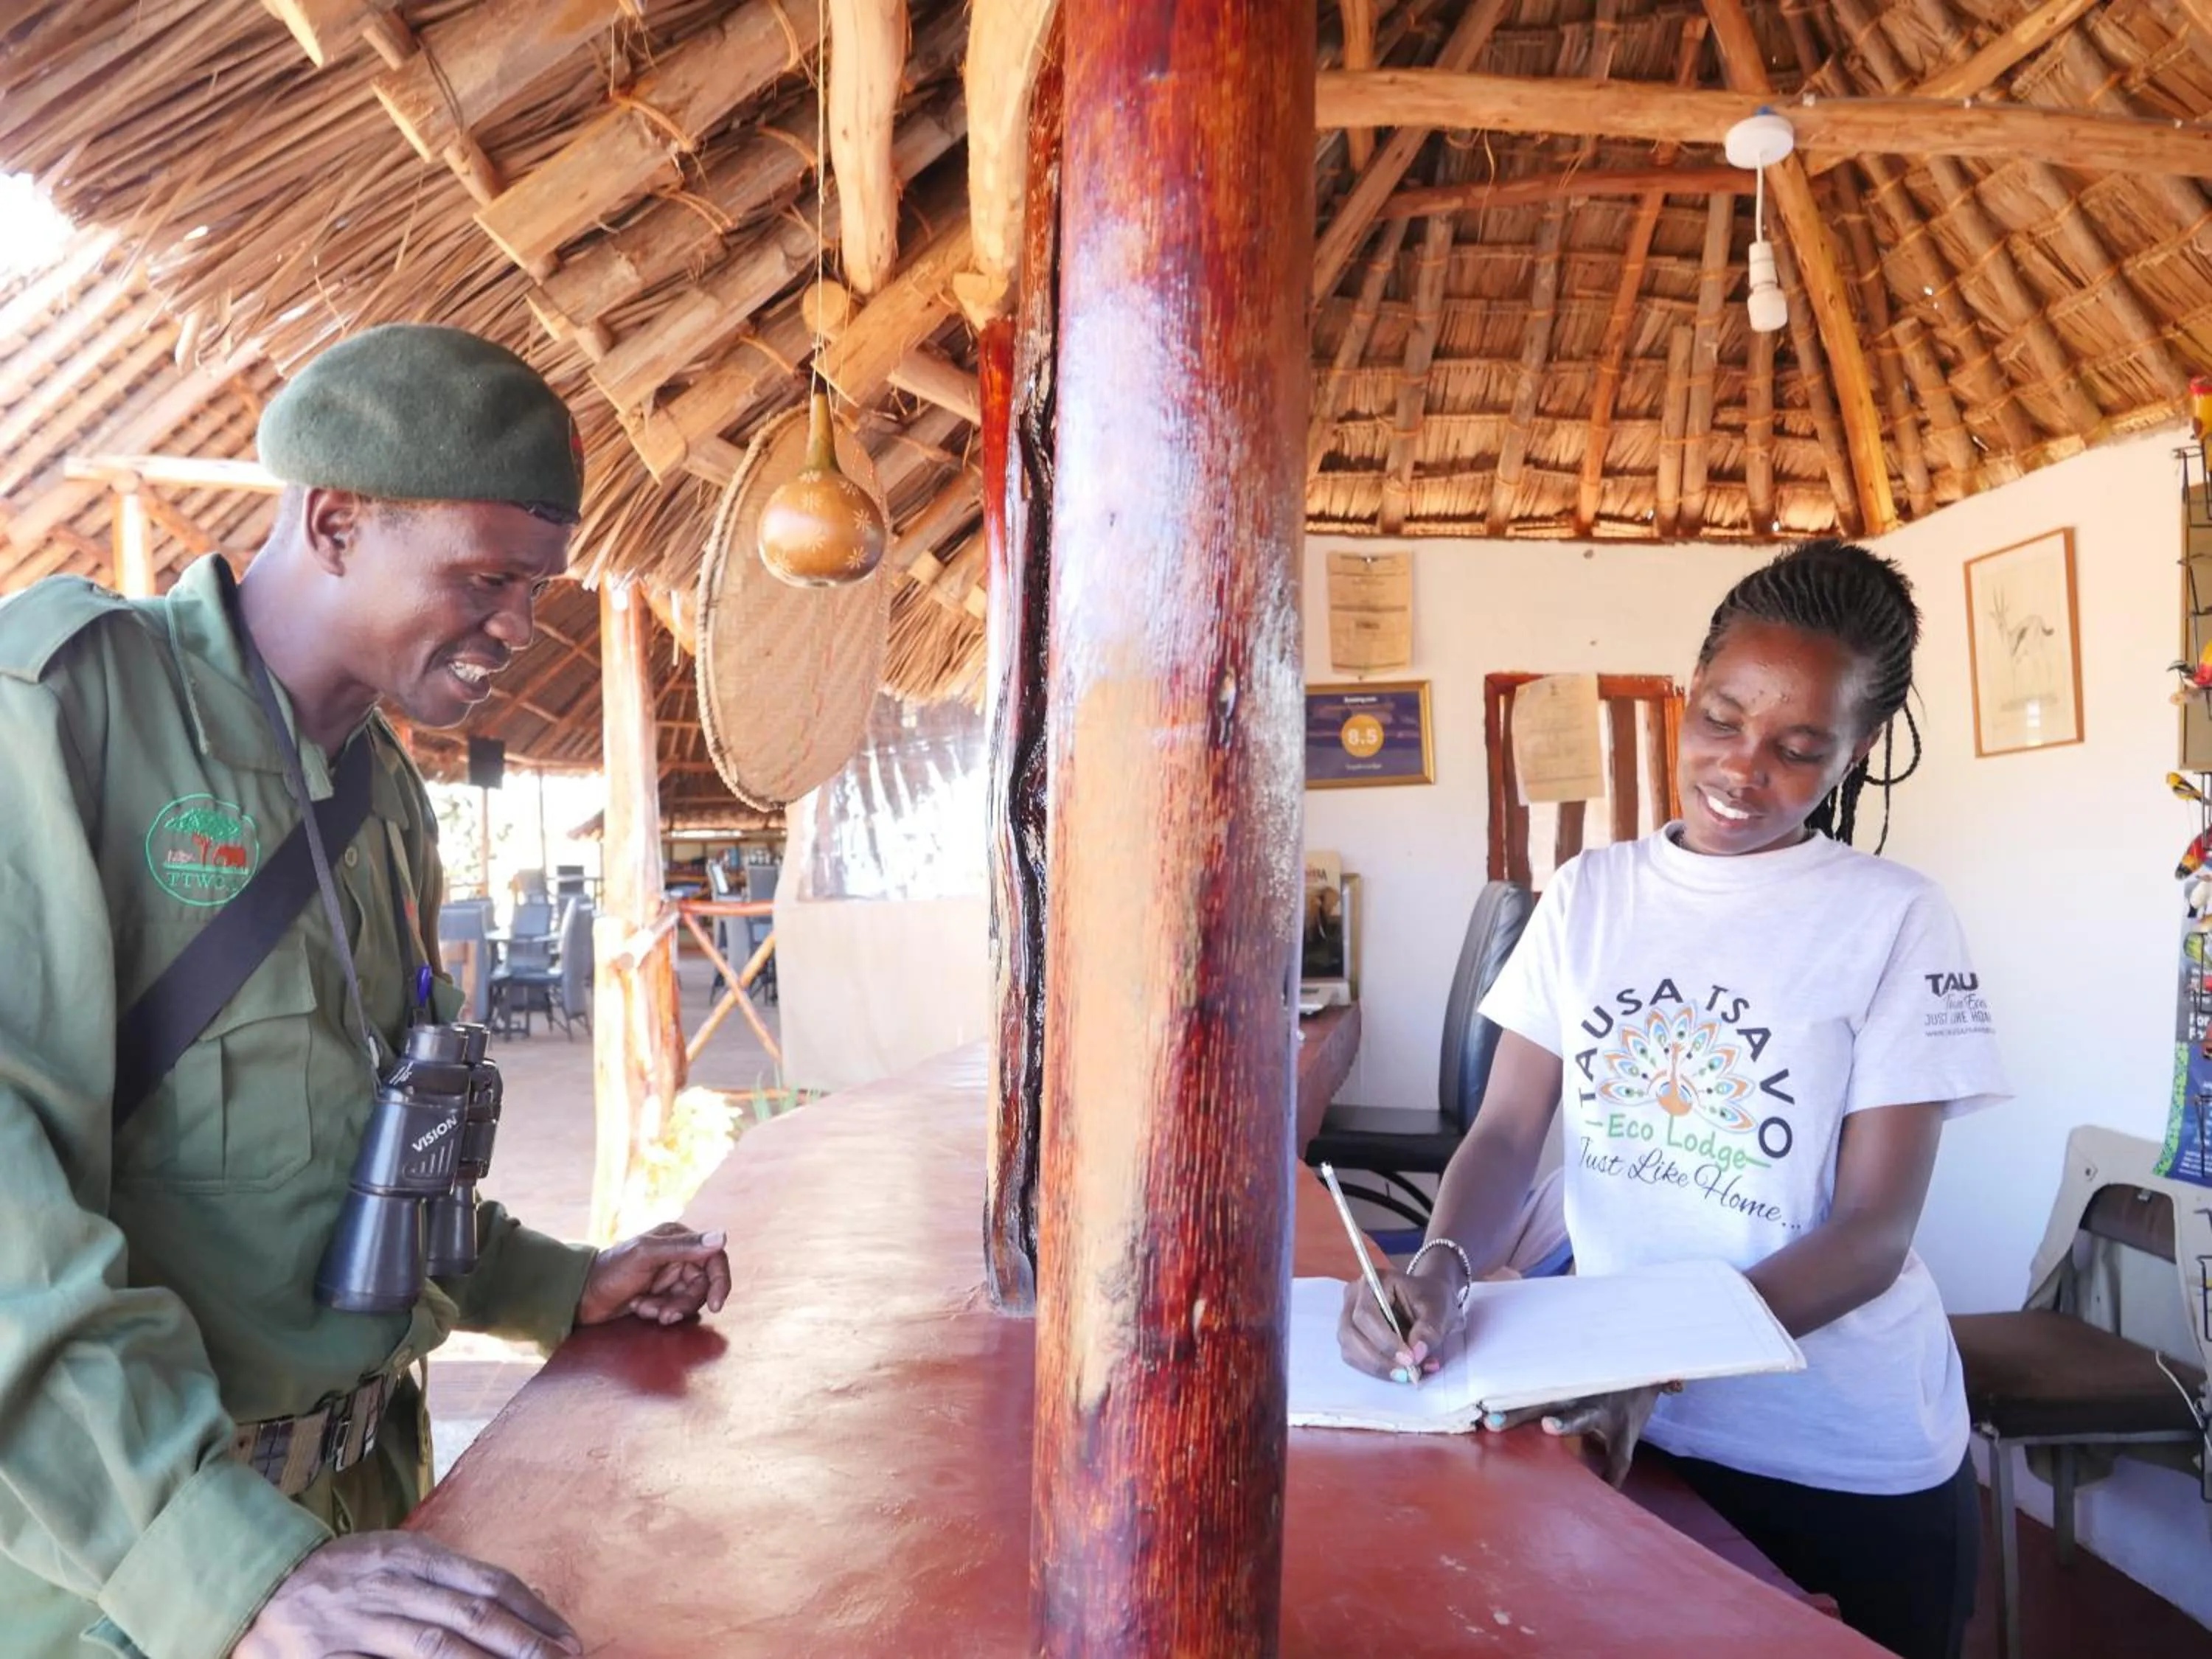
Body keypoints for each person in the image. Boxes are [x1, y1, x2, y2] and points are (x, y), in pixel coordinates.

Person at [0, 324, 733, 1659]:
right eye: (485, 576)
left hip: (363, 1524)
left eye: (535, 584)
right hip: (130, 1584)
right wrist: (222, 1570)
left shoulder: (384, 793)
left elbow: (365, 1159)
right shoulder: (65, 716)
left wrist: (564, 1286)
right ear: (335, 522)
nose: (518, 624)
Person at [1338, 540, 2006, 1659]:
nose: (1744, 769)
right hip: (1627, 1428)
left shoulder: (1895, 917)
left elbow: (1873, 1234)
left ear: (1859, 750)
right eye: (1723, 718)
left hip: (1837, 1453)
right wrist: (1440, 1269)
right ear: (1688, 688)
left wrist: (1651, 1364)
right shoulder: (1589, 896)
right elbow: (1507, 1131)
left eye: (1800, 748)